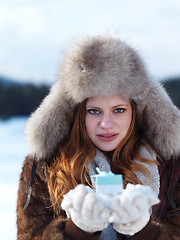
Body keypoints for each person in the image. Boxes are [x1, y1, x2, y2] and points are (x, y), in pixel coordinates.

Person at [17, 35, 180, 240]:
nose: (106, 124)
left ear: (136, 112)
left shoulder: (170, 166)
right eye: (94, 111)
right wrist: (77, 230)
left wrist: (145, 231)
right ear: (79, 114)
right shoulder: (46, 166)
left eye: (119, 110)